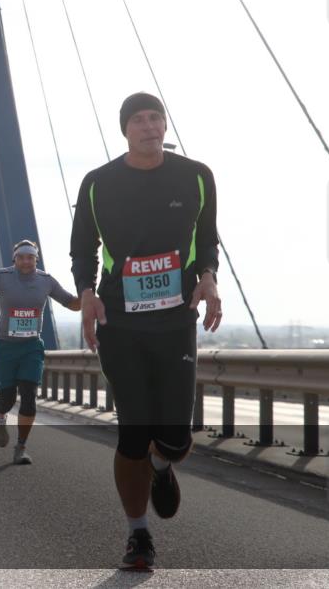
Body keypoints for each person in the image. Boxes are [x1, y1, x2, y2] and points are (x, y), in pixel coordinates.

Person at [70, 91, 222, 570]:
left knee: (175, 438)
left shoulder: (196, 176)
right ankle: (138, 536)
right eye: (138, 119)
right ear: (125, 130)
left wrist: (208, 276)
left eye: (155, 117)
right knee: (133, 434)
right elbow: (82, 247)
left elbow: (206, 236)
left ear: (164, 125)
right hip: (120, 321)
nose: (149, 126)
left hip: (175, 319)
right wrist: (86, 294)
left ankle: (163, 465)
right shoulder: (98, 183)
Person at [0, 240, 79, 465]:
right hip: (6, 347)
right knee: (6, 399)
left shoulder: (46, 281)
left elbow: (70, 302)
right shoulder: (2, 276)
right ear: (14, 259)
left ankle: (21, 447)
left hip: (31, 347)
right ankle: (0, 417)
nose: (26, 261)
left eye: (30, 257)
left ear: (36, 259)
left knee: (29, 398)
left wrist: (90, 298)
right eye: (21, 257)